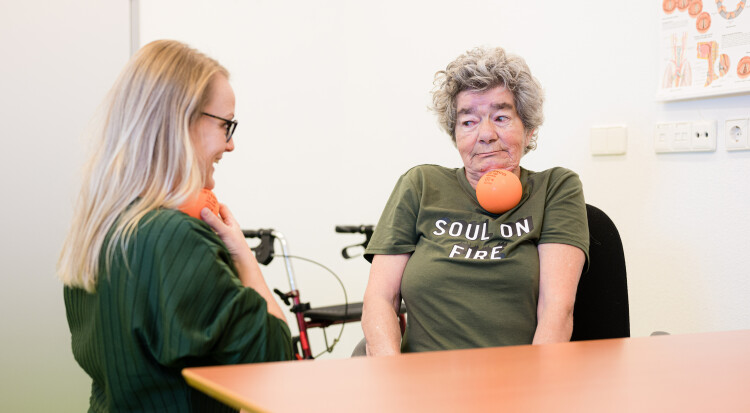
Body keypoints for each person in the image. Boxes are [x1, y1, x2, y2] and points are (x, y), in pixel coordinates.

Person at [57, 40, 292, 412]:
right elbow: (275, 359)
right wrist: (244, 258)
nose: (230, 145)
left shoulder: (101, 232)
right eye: (226, 125)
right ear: (182, 121)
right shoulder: (176, 239)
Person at [361, 46, 589, 355]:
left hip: (518, 377)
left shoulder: (555, 188)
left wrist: (536, 381)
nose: (486, 134)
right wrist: (393, 375)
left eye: (501, 117)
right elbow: (379, 300)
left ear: (529, 130)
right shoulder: (421, 185)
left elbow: (557, 309)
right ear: (455, 135)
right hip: (422, 379)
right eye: (468, 122)